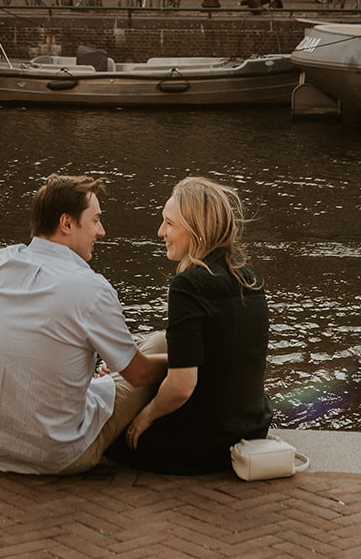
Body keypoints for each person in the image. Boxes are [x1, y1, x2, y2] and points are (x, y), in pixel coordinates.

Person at [0, 174, 167, 475]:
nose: (101, 231)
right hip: (58, 455)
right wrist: (188, 360)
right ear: (67, 224)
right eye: (95, 220)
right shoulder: (91, 288)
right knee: (162, 343)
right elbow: (139, 375)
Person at [106, 176, 271, 474]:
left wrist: (146, 417)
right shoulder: (251, 280)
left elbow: (182, 386)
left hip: (203, 445)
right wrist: (126, 367)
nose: (160, 232)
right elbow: (216, 361)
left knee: (110, 436)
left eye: (169, 223)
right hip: (251, 428)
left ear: (196, 229)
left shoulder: (188, 285)